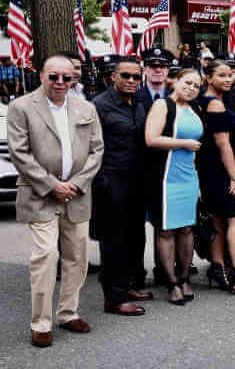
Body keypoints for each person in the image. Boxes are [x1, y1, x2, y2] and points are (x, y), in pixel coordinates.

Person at [9, 54, 104, 348]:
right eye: (54, 76)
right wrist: (52, 185)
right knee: (46, 257)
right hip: (40, 196)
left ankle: (68, 312)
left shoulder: (85, 107)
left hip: (77, 195)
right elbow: (20, 153)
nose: (61, 82)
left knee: (77, 258)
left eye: (67, 77)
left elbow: (96, 150)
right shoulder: (22, 107)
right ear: (41, 76)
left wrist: (75, 183)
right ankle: (41, 323)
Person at [92, 56, 151, 316]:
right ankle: (113, 298)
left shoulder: (140, 101)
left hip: (137, 180)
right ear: (113, 76)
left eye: (136, 76)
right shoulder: (99, 105)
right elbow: (91, 147)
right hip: (110, 181)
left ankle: (127, 286)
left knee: (134, 237)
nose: (131, 81)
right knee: (113, 240)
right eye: (125, 75)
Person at [196, 60, 235, 296]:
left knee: (218, 218)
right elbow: (223, 145)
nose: (228, 79)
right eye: (221, 75)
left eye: (230, 75)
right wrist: (234, 178)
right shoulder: (214, 105)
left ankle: (218, 268)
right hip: (220, 170)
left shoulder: (207, 101)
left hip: (208, 170)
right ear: (208, 78)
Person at [144, 68, 204, 305]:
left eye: (196, 86)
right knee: (166, 230)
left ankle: (184, 276)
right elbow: (151, 138)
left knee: (187, 228)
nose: (191, 88)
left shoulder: (196, 109)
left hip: (189, 176)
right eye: (187, 83)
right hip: (165, 178)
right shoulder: (163, 106)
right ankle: (170, 282)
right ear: (175, 82)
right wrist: (184, 143)